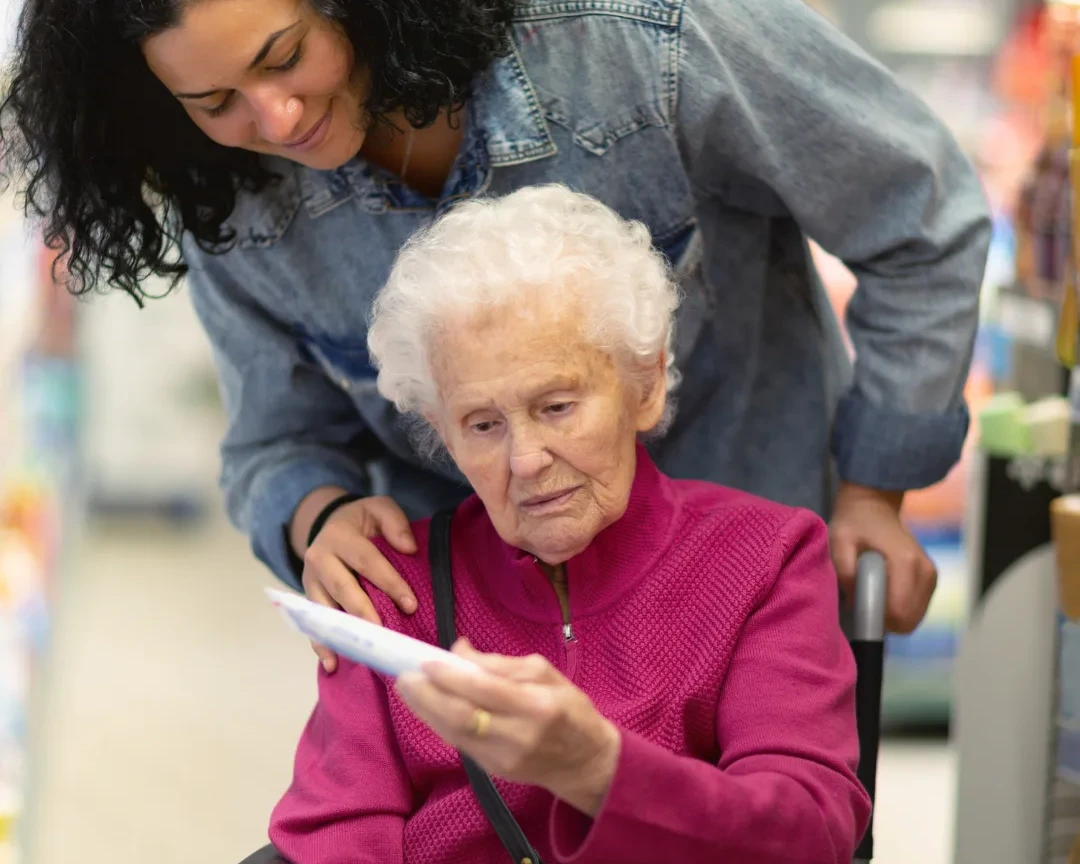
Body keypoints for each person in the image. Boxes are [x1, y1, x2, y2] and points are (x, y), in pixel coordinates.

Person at [0, 0, 991, 663]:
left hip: (753, 621)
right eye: (215, 101)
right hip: (487, 672)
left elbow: (920, 213)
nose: (278, 114)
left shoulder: (638, 41)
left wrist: (874, 492)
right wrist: (316, 519)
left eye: (286, 55)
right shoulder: (229, 194)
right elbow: (277, 439)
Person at [268, 184, 871, 864]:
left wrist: (596, 769)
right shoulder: (390, 590)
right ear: (440, 432)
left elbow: (808, 834)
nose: (525, 461)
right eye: (483, 425)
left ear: (643, 386)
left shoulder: (765, 558)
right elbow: (334, 839)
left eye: (556, 406)